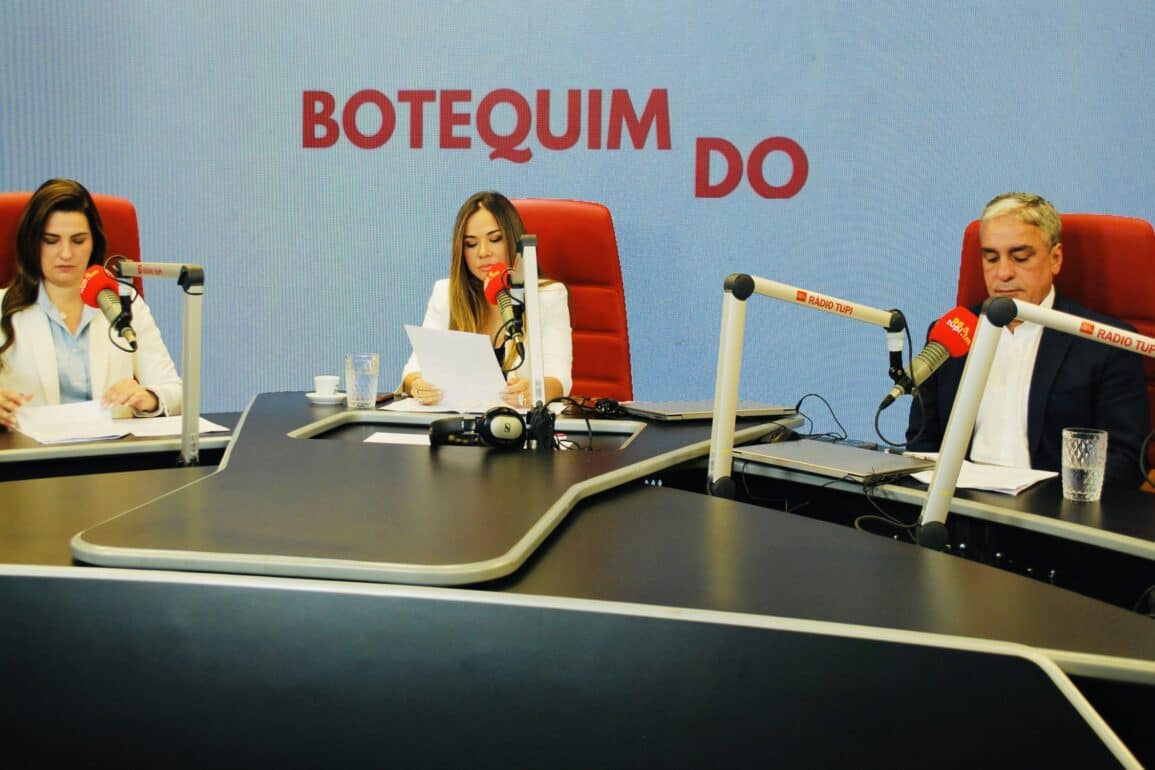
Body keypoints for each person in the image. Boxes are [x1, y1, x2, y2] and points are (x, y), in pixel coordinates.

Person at [906, 192, 1149, 488]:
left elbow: (1126, 459)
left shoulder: (1105, 343)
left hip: (1051, 507)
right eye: (991, 258)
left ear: (1055, 259)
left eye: (1020, 257)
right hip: (956, 503)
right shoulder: (952, 333)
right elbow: (922, 442)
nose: (1003, 273)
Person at [0, 178, 182, 429]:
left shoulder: (124, 302)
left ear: (93, 242)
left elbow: (176, 393)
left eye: (78, 241)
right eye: (51, 240)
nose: (66, 254)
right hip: (29, 451)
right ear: (32, 242)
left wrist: (149, 398)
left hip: (113, 450)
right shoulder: (2, 308)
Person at [401, 191, 573, 407]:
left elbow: (559, 380)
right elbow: (412, 371)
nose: (483, 252)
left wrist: (536, 390)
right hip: (460, 421)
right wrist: (418, 385)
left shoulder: (548, 296)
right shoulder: (446, 293)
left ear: (513, 241)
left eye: (495, 239)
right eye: (471, 244)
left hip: (520, 422)